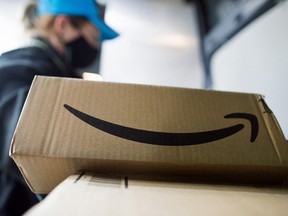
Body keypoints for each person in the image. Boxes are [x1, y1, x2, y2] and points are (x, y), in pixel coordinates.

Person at [0, 0, 119, 215]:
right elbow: (27, 147)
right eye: (93, 38)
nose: (95, 47)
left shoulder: (58, 75)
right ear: (63, 24)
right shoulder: (18, 70)